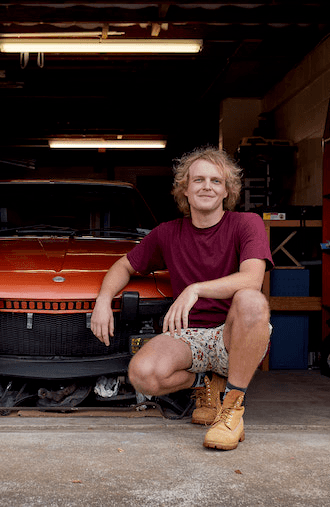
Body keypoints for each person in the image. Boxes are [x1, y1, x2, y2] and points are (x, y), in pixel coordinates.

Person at [90, 146, 273, 450]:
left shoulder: (246, 223)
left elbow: (253, 279)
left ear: (227, 191)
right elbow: (123, 265)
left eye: (216, 181)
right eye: (198, 180)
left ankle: (231, 408)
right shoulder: (167, 233)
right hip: (192, 337)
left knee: (252, 301)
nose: (207, 186)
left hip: (236, 335)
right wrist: (103, 300)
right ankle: (203, 383)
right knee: (142, 374)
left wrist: (196, 288)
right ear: (184, 189)